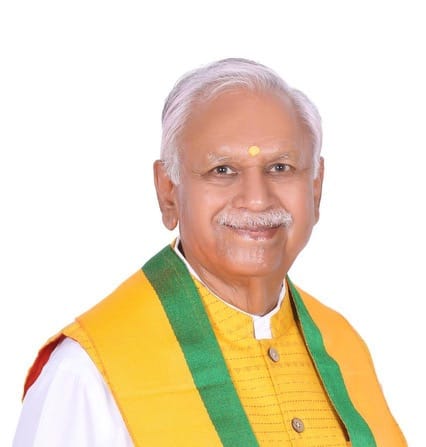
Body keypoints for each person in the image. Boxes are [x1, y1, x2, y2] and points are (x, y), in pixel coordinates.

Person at [13, 58, 407, 447]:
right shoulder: (88, 373)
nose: (257, 199)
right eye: (222, 170)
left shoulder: (342, 348)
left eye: (280, 168)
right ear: (168, 192)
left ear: (316, 188)